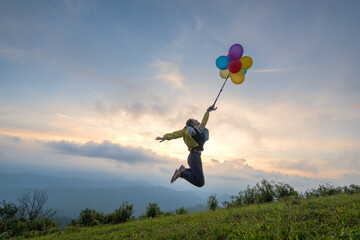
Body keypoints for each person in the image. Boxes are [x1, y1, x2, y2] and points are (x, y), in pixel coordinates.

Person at [155, 105, 217, 187]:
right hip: (193, 156)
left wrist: (208, 111)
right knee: (200, 182)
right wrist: (165, 137)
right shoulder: (188, 130)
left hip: (197, 157)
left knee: (198, 178)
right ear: (192, 123)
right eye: (194, 119)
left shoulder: (200, 129)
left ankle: (183, 170)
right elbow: (176, 134)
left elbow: (204, 121)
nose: (196, 119)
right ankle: (181, 173)